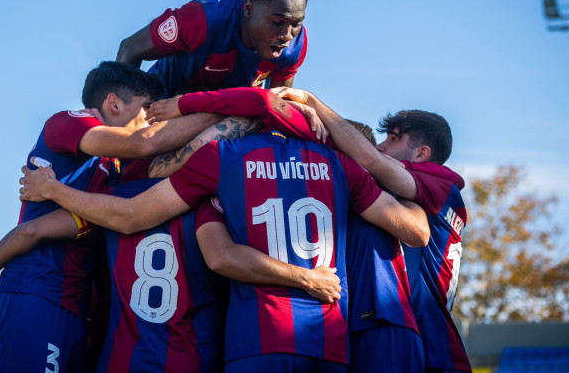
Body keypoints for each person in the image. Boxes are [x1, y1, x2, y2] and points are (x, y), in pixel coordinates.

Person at [20, 127, 429, 372]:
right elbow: (415, 232)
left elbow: (134, 218)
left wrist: (53, 189)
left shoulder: (220, 162)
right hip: (329, 340)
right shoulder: (340, 164)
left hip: (254, 340)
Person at [146, 87, 426, 372]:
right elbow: (418, 232)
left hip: (267, 334)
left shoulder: (227, 163)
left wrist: (184, 103)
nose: (380, 149)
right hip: (337, 333)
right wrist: (418, 199)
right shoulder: (342, 170)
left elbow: (215, 252)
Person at [0, 61, 221, 373]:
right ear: (113, 103)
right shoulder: (69, 123)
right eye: (146, 109)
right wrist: (225, 106)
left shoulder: (110, 168)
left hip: (72, 309)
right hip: (35, 296)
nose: (151, 119)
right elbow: (145, 143)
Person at [273, 88, 471, 373]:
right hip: (423, 336)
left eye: (392, 138)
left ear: (422, 154)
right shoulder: (418, 191)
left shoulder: (441, 184)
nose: (381, 146)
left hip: (429, 342)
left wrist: (312, 102)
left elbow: (369, 160)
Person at [116, 0, 308, 97]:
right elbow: (130, 48)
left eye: (296, 23)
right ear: (248, 9)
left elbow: (276, 109)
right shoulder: (201, 20)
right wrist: (125, 123)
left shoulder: (295, 46)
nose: (287, 35)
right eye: (277, 22)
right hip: (166, 101)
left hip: (224, 116)